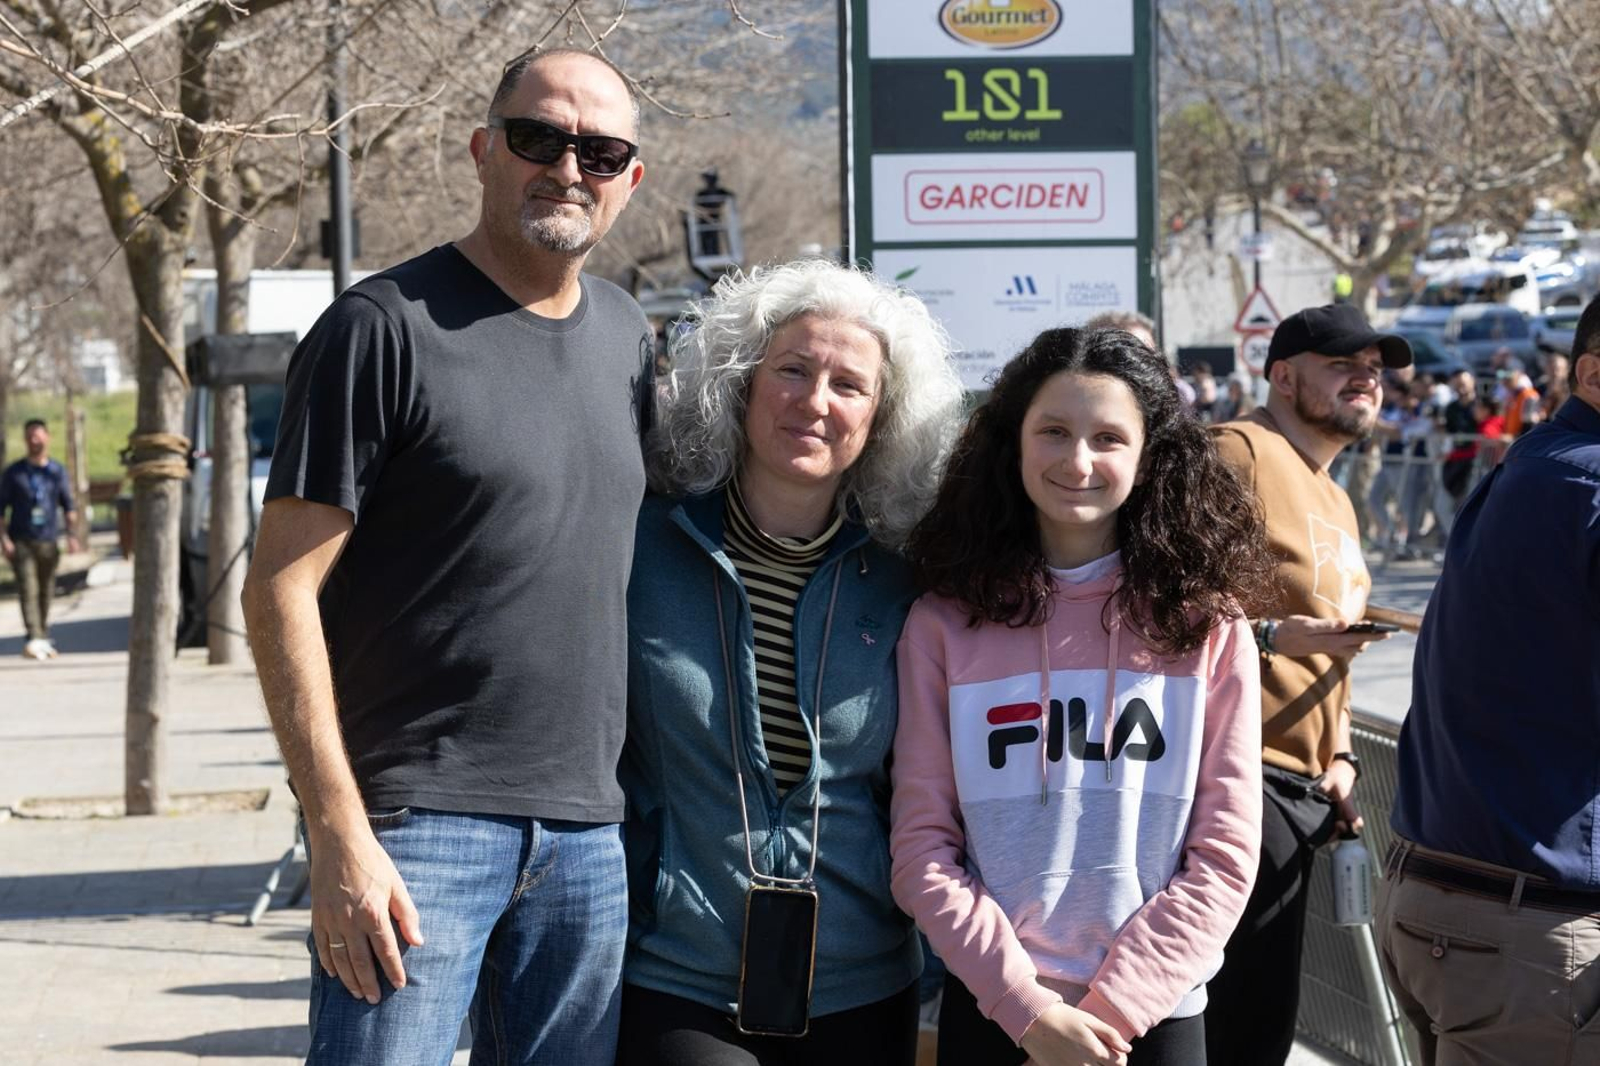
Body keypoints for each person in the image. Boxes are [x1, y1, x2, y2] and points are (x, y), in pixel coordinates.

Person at [240, 47, 647, 1066]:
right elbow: (278, 588)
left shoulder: (634, 340)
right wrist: (337, 833)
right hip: (415, 831)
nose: (567, 167)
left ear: (630, 181)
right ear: (481, 149)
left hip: (589, 838)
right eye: (536, 137)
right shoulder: (381, 329)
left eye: (599, 151)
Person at [891, 326, 1278, 1065]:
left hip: (1154, 1018)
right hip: (1000, 1014)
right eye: (1054, 432)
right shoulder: (942, 623)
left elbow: (1225, 853)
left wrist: (1115, 1009)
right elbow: (921, 850)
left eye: (1108, 438)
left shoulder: (1207, 628)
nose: (1078, 461)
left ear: (1148, 455)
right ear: (1014, 444)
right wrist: (1028, 1011)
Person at [617, 260, 964, 1066]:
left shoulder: (910, 582)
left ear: (882, 418)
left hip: (865, 979)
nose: (815, 402)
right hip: (678, 971)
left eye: (849, 385)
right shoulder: (641, 549)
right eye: (794, 370)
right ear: (741, 384)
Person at [1379, 294, 1600, 1066]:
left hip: (1457, 907)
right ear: (1595, 374)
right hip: (1526, 938)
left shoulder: (1537, 464)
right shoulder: (1587, 483)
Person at [1204, 303, 1407, 1066]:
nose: (1367, 378)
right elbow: (1156, 603)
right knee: (1231, 1033)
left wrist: (1344, 755)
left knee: (1263, 1027)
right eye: (1343, 364)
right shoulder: (1235, 453)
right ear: (1282, 376)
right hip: (1229, 781)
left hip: (1304, 795)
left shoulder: (1335, 493)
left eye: (1376, 370)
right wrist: (1264, 638)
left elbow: (1336, 645)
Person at [0, 418, 80, 660]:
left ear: (47, 437)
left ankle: (42, 635)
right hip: (22, 540)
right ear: (25, 440)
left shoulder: (56, 471)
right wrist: (4, 540)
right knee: (28, 589)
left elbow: (69, 505)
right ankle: (33, 637)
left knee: (46, 591)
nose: (34, 441)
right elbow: (1, 509)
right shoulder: (14, 473)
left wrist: (72, 535)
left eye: (38, 435)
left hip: (49, 540)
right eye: (30, 437)